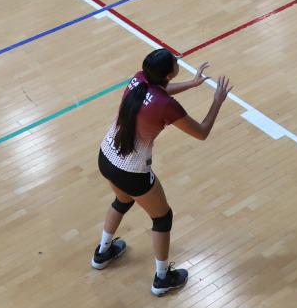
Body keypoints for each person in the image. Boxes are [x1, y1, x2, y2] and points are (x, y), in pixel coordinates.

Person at [92, 47, 230, 294]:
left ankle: (102, 252)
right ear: (168, 74)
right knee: (162, 218)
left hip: (106, 157)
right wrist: (217, 102)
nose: (177, 61)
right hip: (131, 171)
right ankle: (162, 279)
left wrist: (192, 84)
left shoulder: (138, 79)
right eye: (174, 61)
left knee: (122, 200)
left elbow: (156, 93)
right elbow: (201, 133)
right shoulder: (167, 106)